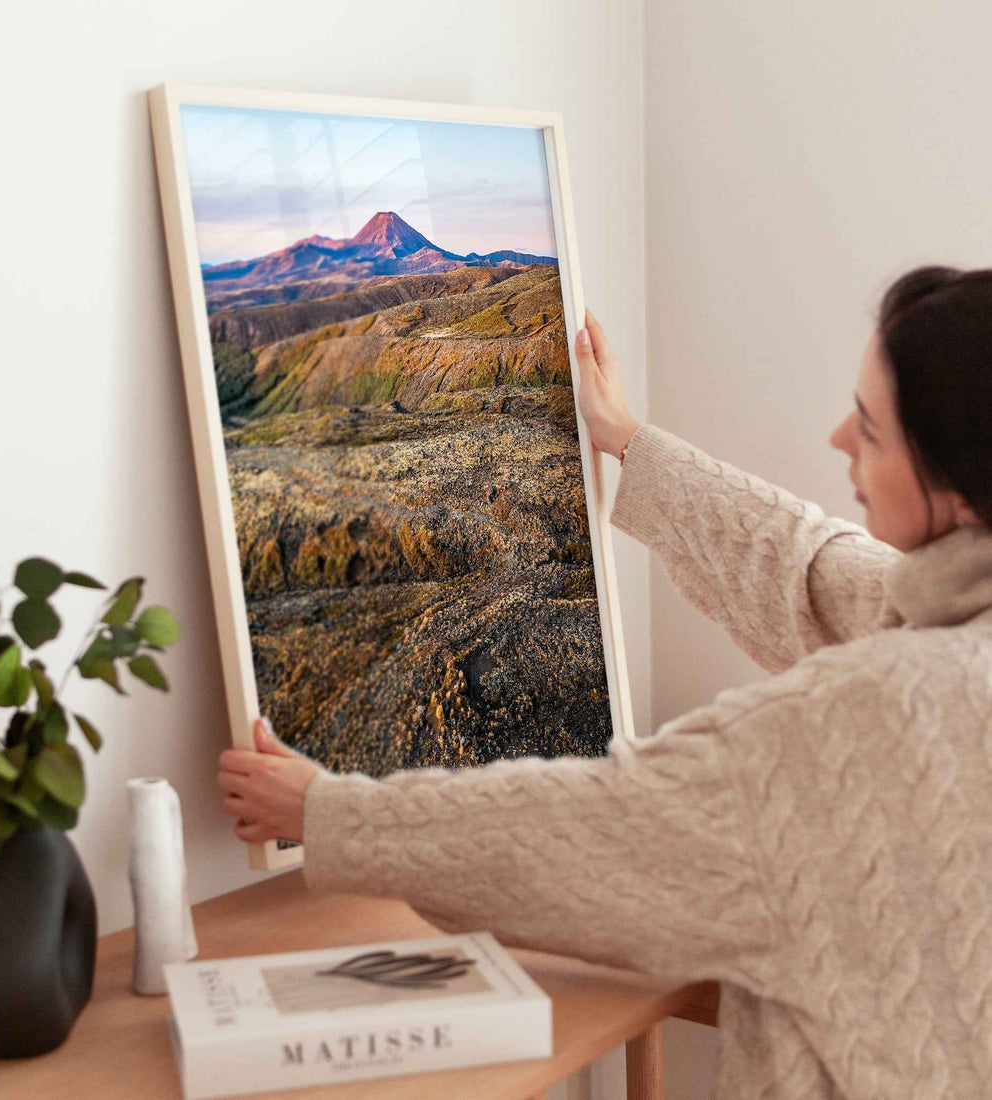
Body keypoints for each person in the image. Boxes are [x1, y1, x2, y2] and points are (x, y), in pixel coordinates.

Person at [217, 266, 992, 1099]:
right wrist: (627, 441)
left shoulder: (870, 717)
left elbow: (595, 828)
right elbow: (811, 570)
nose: (840, 438)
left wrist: (326, 813)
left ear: (958, 487)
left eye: (872, 431)